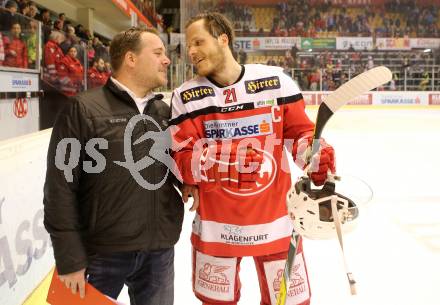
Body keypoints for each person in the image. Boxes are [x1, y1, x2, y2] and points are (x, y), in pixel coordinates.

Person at [170, 12, 335, 305]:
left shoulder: (275, 81)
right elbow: (181, 159)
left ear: (223, 39)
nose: (191, 51)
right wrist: (219, 161)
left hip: (278, 224)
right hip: (217, 228)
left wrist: (314, 155)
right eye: (188, 45)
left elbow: (298, 135)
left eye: (198, 41)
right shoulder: (186, 96)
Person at [43, 27, 183, 305]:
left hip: (159, 251)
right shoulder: (82, 109)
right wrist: (69, 257)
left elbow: (179, 166)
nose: (166, 60)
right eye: (157, 53)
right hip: (101, 254)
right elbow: (60, 187)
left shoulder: (165, 113)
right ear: (131, 59)